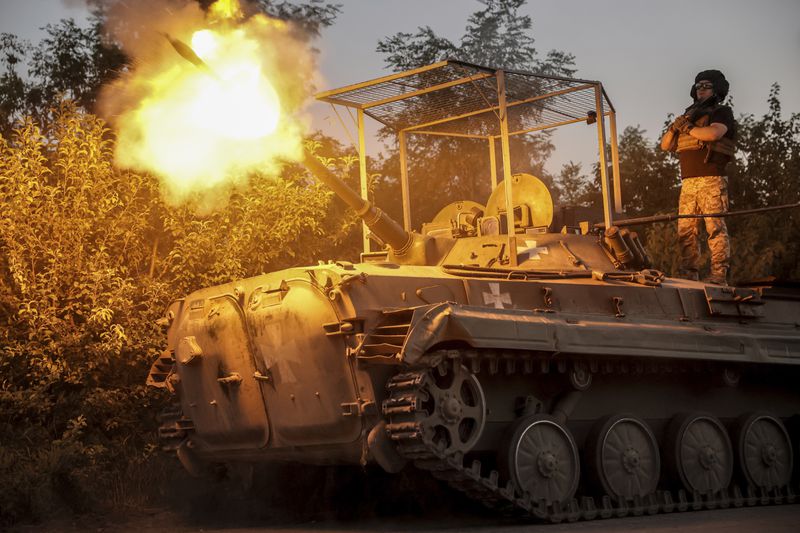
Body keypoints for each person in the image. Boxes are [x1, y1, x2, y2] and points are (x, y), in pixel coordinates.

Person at [660, 69, 737, 285]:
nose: (701, 89)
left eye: (706, 85)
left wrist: (688, 127)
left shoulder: (721, 112)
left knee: (715, 227)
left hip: (711, 178)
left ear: (716, 89)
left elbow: (713, 133)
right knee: (686, 231)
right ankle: (689, 276)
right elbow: (666, 145)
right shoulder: (688, 116)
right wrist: (677, 127)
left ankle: (718, 276)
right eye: (698, 86)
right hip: (688, 182)